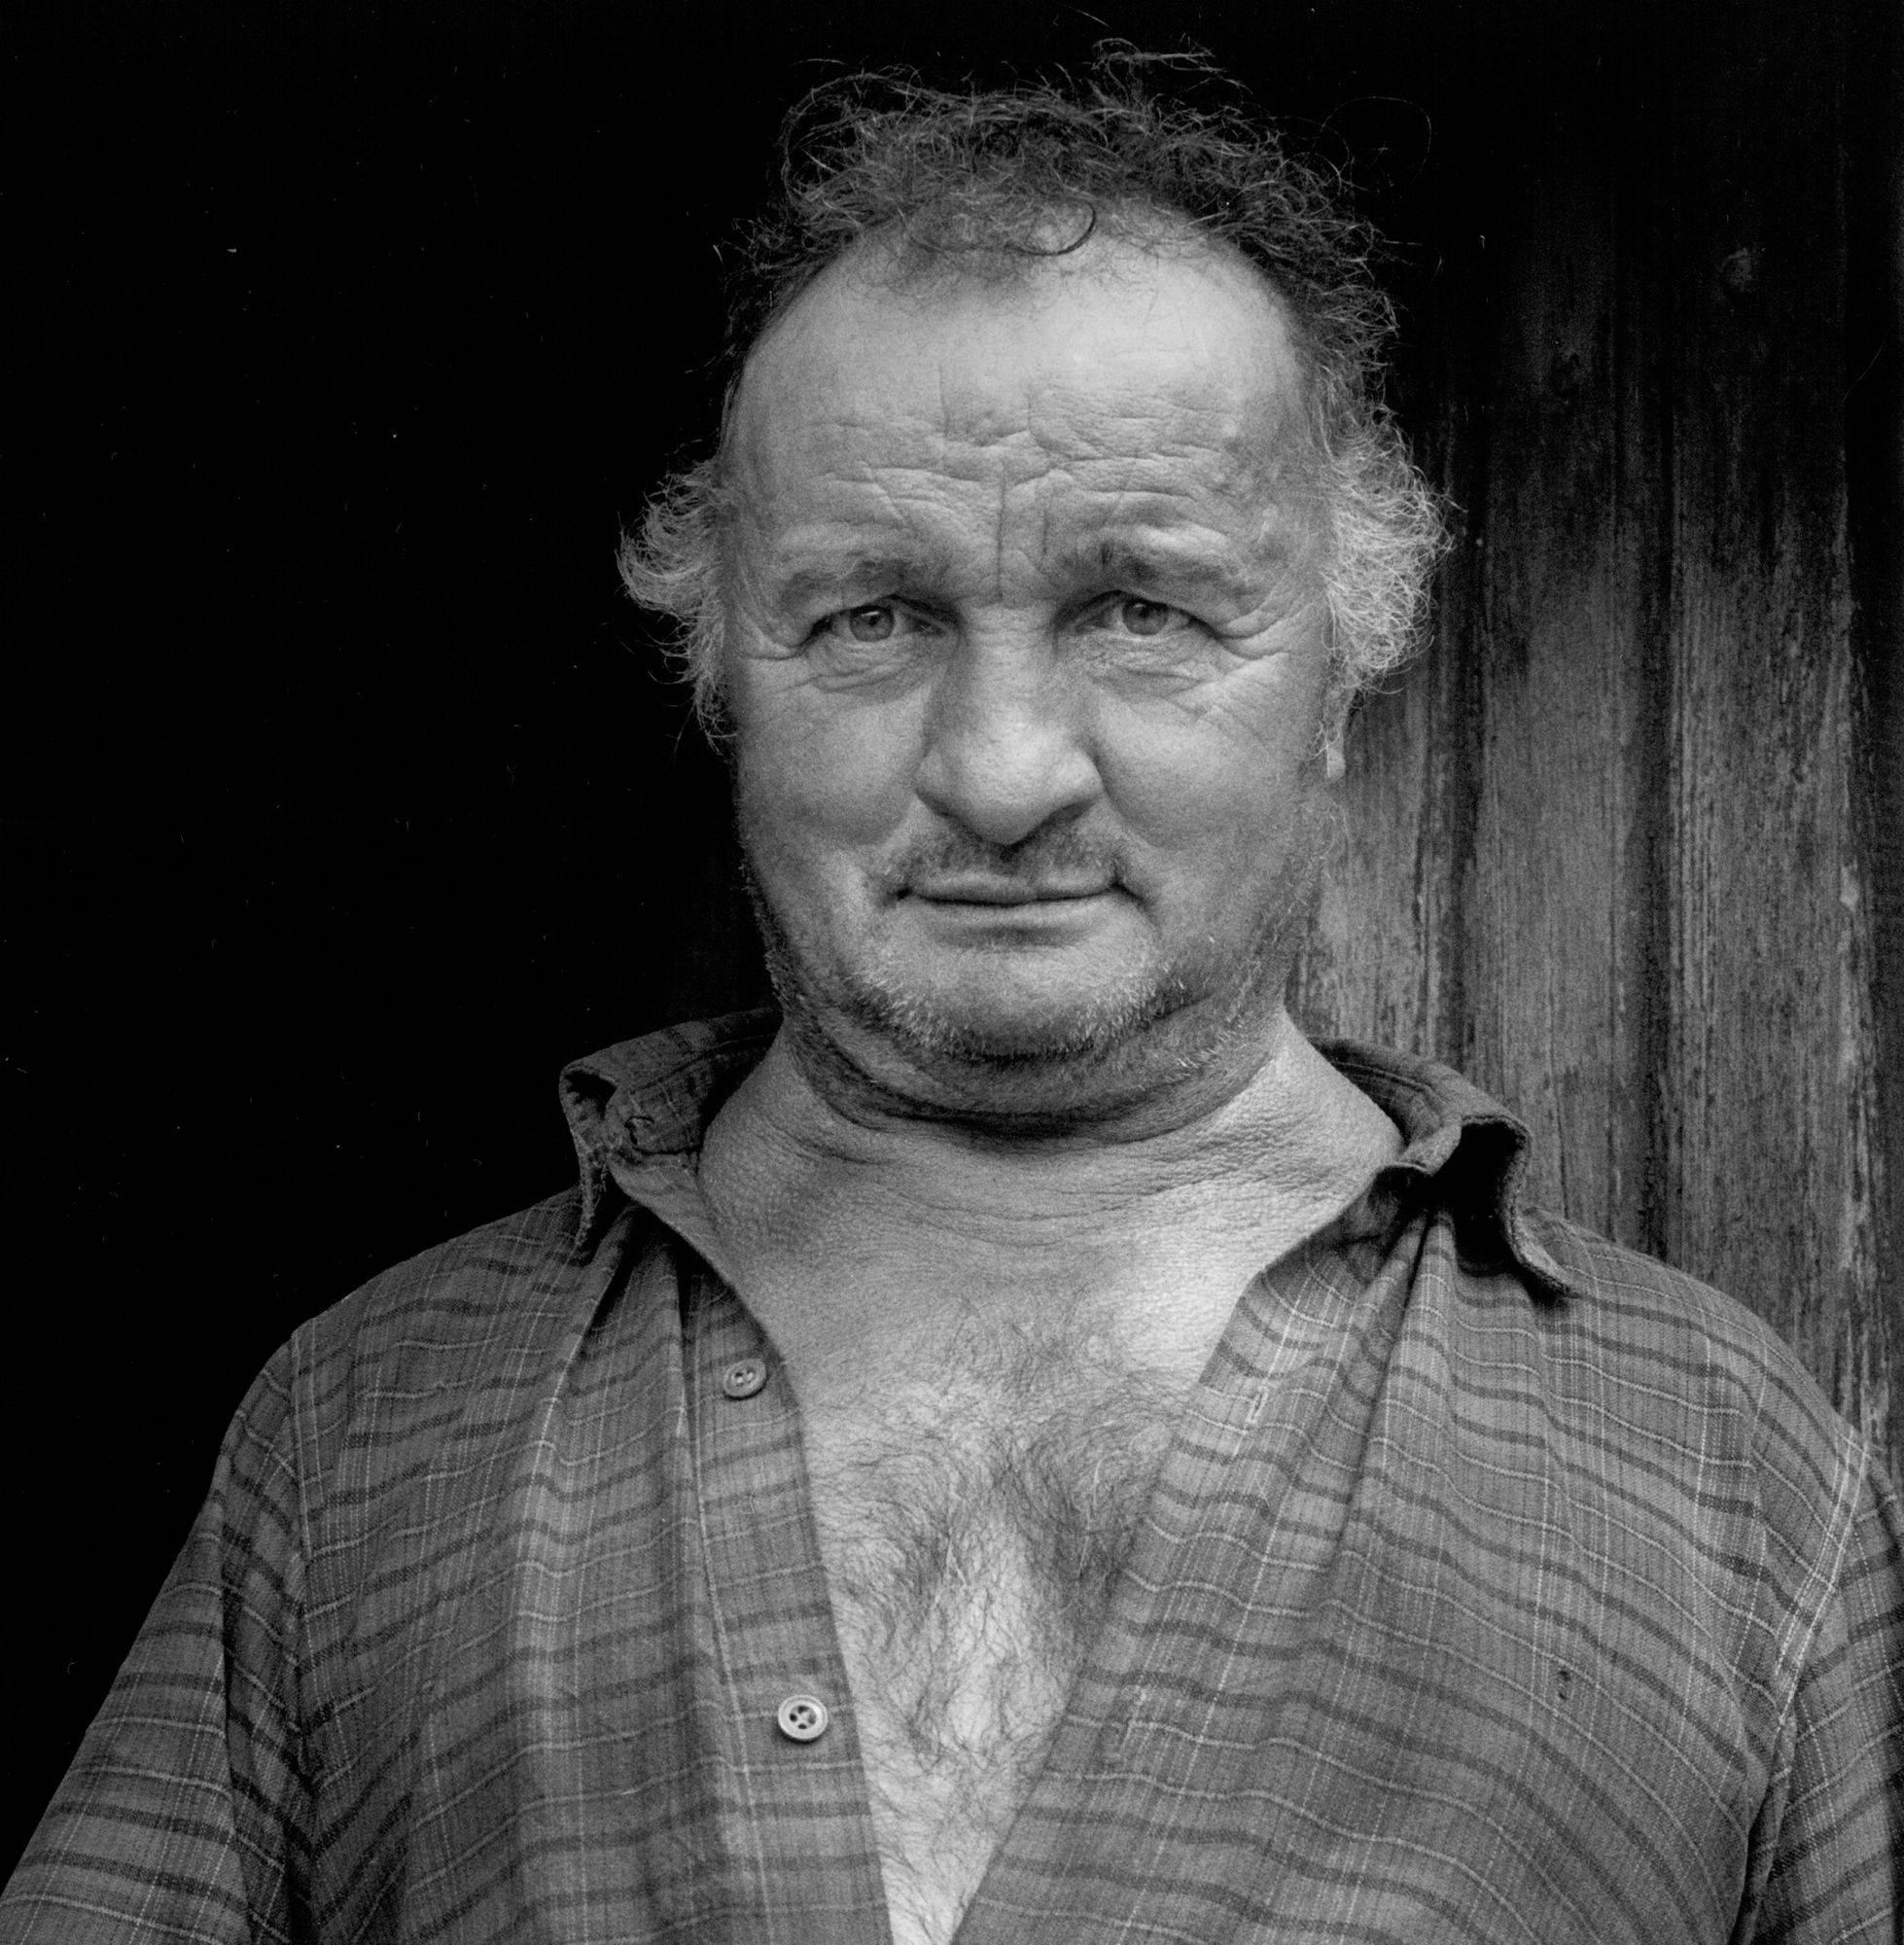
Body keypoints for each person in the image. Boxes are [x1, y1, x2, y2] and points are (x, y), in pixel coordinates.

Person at [5, 54, 1899, 1945]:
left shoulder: (1718, 1472)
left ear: (1342, 667)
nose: (1000, 773)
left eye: (1142, 610)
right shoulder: (366, 1430)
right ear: (722, 676)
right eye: (872, 617)